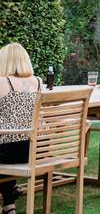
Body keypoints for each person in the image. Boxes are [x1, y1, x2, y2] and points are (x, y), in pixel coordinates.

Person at [0, 43, 44, 214]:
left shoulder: (2, 81)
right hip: (36, 149)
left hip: (10, 151)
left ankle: (10, 195)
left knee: (5, 146)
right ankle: (9, 203)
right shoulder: (39, 81)